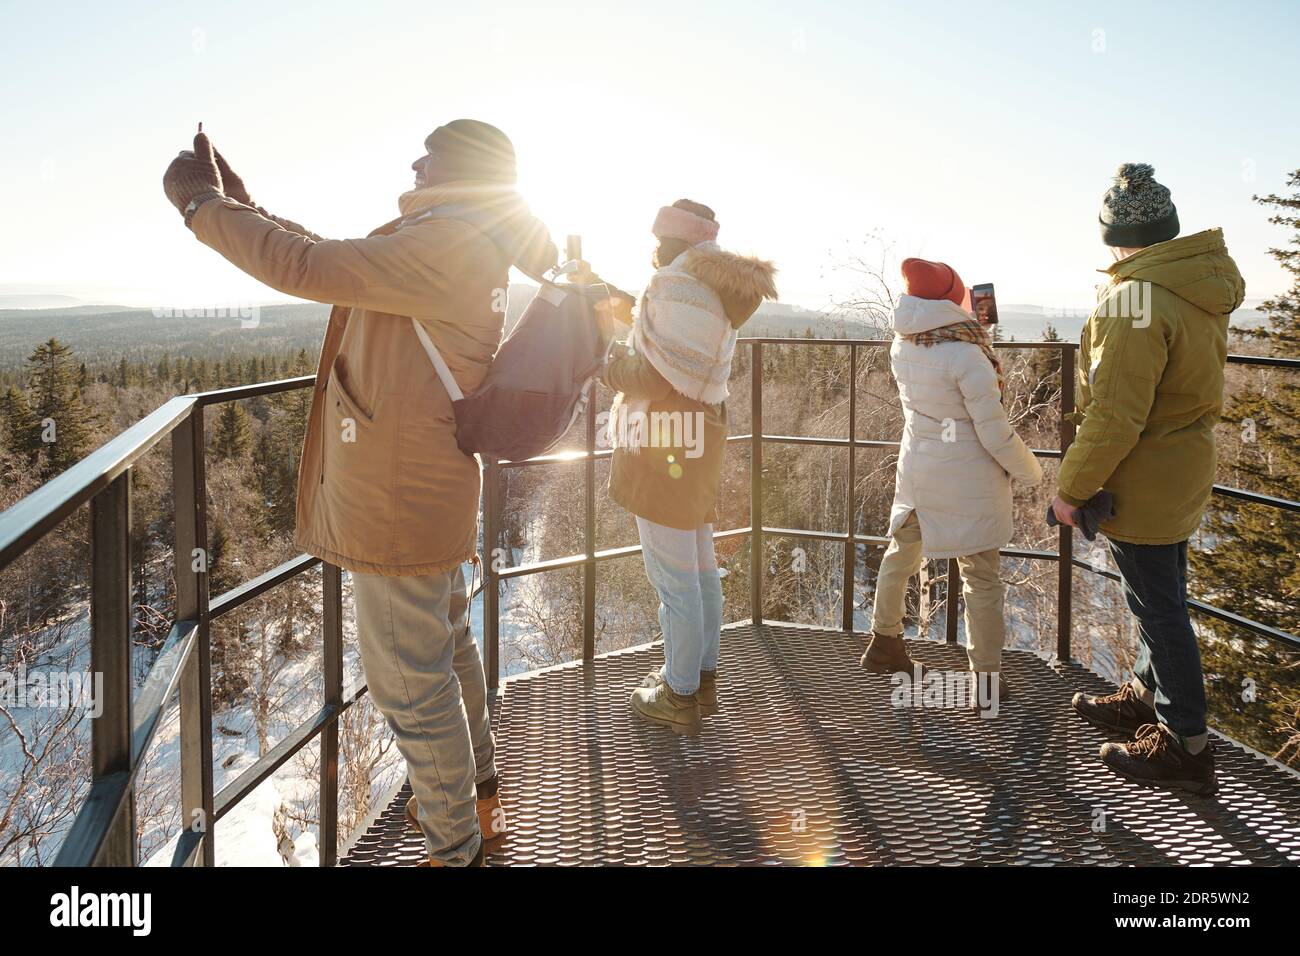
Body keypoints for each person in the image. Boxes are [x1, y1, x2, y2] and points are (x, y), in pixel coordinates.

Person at [162, 120, 557, 865]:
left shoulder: (451, 241)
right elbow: (341, 264)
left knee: (410, 683)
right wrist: (247, 206)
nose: (415, 161)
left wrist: (203, 209)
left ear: (464, 171)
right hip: (424, 485)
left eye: (431, 155)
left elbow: (310, 268)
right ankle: (477, 795)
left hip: (399, 498)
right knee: (447, 646)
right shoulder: (462, 237)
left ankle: (456, 846)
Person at [1062, 163, 1244, 795]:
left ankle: (1186, 747)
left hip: (1142, 477)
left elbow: (1115, 413)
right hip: (1181, 468)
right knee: (1161, 596)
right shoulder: (1194, 285)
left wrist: (1071, 487)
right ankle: (1146, 697)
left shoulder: (1135, 299)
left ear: (1118, 238)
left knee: (1159, 608)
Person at [601, 200, 777, 735]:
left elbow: (654, 376)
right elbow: (681, 352)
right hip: (701, 438)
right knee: (699, 570)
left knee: (672, 578)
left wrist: (609, 362)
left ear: (672, 243)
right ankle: (700, 677)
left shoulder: (676, 286)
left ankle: (678, 695)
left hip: (661, 444)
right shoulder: (717, 288)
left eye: (658, 240)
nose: (653, 250)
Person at [863, 258, 1042, 709]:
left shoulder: (903, 344)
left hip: (920, 468)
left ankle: (883, 642)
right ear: (950, 300)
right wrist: (1031, 470)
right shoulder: (966, 352)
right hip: (967, 479)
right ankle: (986, 679)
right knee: (980, 576)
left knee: (902, 551)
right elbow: (993, 430)